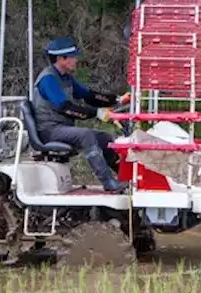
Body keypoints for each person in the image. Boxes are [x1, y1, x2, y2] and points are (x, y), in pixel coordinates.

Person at [31, 36, 132, 192]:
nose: (76, 61)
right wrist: (97, 113)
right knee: (86, 135)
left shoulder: (66, 78)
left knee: (105, 138)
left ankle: (127, 179)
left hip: (61, 128)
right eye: (72, 57)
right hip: (49, 130)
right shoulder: (48, 79)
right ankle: (108, 183)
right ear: (60, 59)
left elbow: (90, 96)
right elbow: (66, 107)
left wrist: (117, 100)